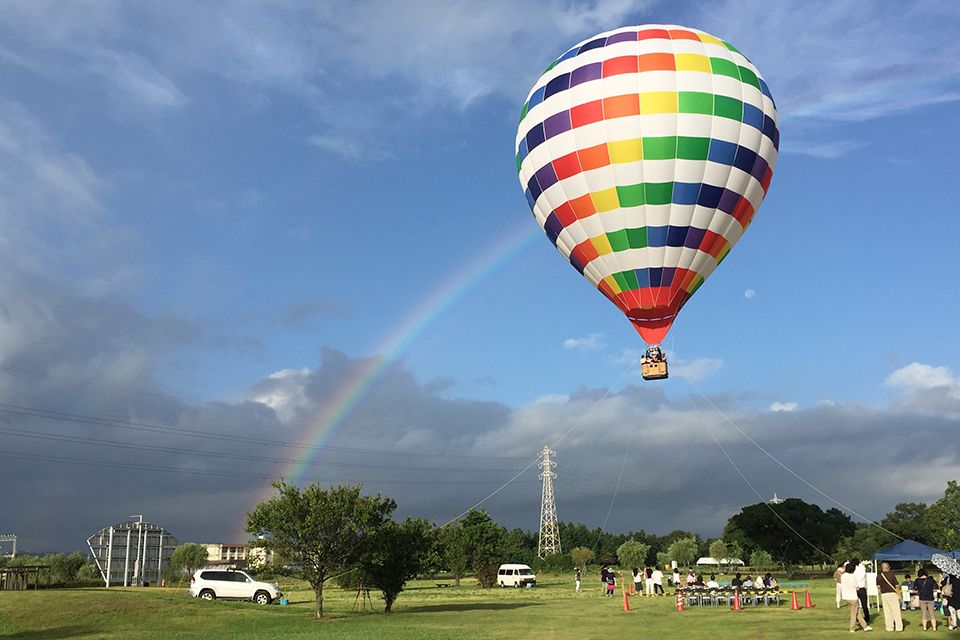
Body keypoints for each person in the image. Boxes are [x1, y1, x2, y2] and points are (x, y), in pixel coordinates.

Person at [842, 560, 872, 632]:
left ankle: (865, 627)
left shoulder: (843, 576)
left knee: (857, 612)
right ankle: (852, 628)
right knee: (854, 614)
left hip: (846, 597)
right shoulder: (853, 576)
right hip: (853, 597)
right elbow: (857, 587)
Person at [877, 561, 903, 632]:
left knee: (887, 612)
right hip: (892, 594)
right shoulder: (891, 575)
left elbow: (878, 586)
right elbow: (897, 585)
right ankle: (898, 627)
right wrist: (899, 594)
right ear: (888, 567)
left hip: (884, 594)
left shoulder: (879, 576)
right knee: (896, 611)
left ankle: (889, 627)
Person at [852, 557, 871, 624]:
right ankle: (867, 617)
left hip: (856, 587)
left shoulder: (854, 569)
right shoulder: (862, 568)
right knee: (864, 604)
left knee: (855, 604)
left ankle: (857, 617)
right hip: (862, 587)